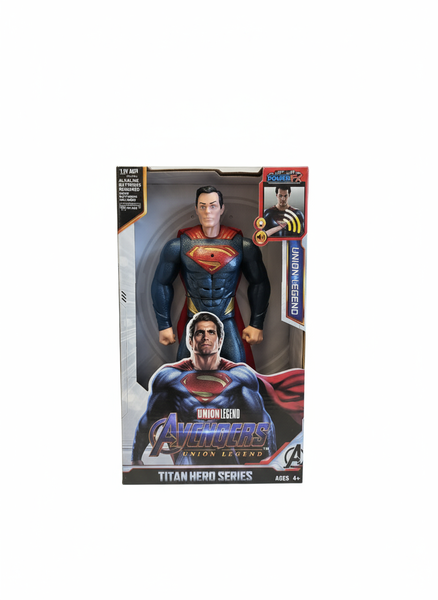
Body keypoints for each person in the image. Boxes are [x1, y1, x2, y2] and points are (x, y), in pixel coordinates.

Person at [131, 312, 277, 466]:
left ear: (220, 341)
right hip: (188, 456)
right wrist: (136, 459)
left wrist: (269, 461)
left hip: (226, 456)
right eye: (200, 332)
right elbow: (149, 419)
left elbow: (262, 420)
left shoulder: (240, 376)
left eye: (211, 332)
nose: (205, 337)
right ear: (190, 341)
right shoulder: (170, 377)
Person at [151, 185, 270, 366]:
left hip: (226, 317)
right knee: (183, 372)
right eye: (203, 206)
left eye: (213, 206)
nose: (208, 211)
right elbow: (161, 283)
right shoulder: (178, 246)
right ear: (196, 209)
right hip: (194, 318)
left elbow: (259, 282)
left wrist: (256, 324)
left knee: (238, 372)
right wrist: (164, 325)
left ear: (222, 209)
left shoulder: (242, 246)